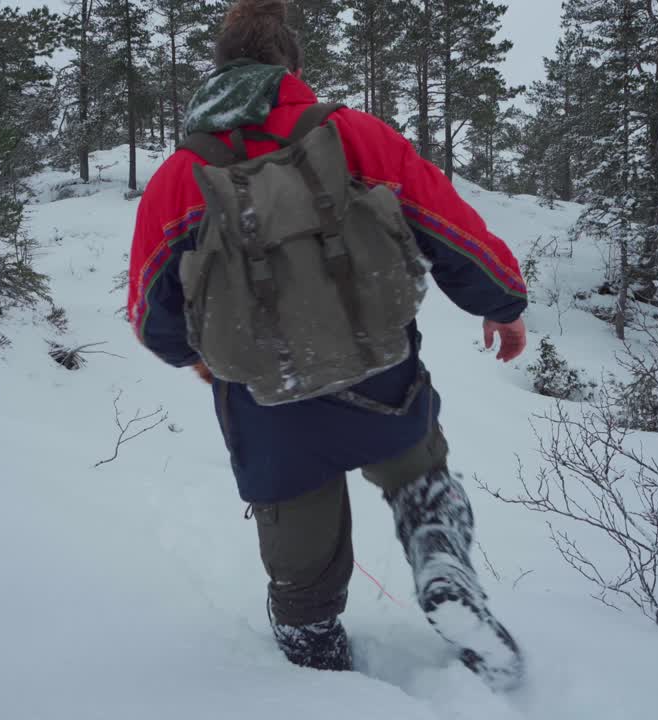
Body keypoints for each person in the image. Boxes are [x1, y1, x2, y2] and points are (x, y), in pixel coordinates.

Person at [127, 0, 529, 691]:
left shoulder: (180, 175)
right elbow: (447, 225)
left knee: (298, 541)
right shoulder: (353, 134)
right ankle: (439, 559)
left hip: (264, 395)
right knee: (418, 476)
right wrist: (503, 305)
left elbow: (149, 308)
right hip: (380, 367)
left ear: (219, 70)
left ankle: (315, 659)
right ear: (291, 65)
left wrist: (192, 355)